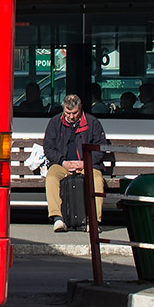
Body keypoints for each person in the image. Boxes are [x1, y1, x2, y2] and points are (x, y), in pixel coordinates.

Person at [43, 93, 108, 232]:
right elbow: (48, 148)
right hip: (62, 164)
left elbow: (100, 148)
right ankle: (57, 218)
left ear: (81, 109)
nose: (71, 116)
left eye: (74, 113)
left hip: (87, 165)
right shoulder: (55, 122)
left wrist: (85, 163)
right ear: (63, 109)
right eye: (68, 113)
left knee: (96, 179)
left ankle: (94, 221)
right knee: (52, 177)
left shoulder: (92, 122)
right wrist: (62, 162)